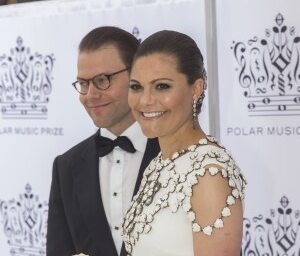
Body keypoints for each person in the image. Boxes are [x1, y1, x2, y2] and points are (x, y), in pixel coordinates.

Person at [121, 30, 247, 255]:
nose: (145, 100)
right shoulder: (159, 162)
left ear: (196, 89)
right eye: (136, 87)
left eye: (162, 86)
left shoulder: (209, 175)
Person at [46, 26, 160, 256]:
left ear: (136, 76)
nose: (90, 95)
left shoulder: (178, 155)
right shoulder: (66, 167)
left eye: (102, 80)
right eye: (83, 83)